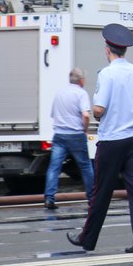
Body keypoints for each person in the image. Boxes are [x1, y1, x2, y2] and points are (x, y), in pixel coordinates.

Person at [67, 23, 133, 253]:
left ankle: (87, 239)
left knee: (101, 192)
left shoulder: (107, 74)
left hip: (112, 139)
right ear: (125, 50)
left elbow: (98, 110)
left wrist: (107, 115)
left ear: (108, 50)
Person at [44, 68, 95, 209]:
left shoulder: (59, 94)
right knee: (85, 167)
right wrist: (85, 130)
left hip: (59, 135)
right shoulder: (81, 93)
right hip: (76, 135)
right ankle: (92, 198)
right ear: (82, 80)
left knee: (54, 167)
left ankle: (49, 198)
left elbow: (53, 114)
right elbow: (85, 115)